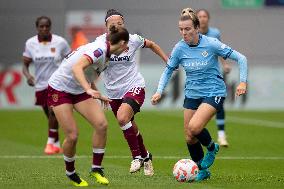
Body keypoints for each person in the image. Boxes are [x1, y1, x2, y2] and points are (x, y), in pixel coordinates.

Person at [151, 8, 248, 181]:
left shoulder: (211, 43)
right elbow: (168, 70)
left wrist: (242, 81)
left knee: (195, 127)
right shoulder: (179, 48)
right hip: (192, 94)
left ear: (197, 28)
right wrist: (159, 91)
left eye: (187, 29)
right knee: (189, 137)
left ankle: (211, 147)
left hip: (214, 91)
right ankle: (202, 170)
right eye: (181, 29)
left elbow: (241, 58)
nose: (183, 33)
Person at [47, 26, 129, 186]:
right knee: (72, 135)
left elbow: (88, 73)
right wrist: (88, 90)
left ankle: (96, 169)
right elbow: (76, 67)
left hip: (79, 88)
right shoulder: (98, 51)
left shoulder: (108, 53)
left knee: (101, 125)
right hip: (60, 89)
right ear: (122, 43)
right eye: (127, 46)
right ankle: (71, 173)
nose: (127, 49)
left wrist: (97, 93)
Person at [95, 9, 168, 176]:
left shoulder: (133, 39)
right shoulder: (100, 43)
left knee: (122, 118)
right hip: (113, 92)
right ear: (106, 26)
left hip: (134, 86)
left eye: (120, 24)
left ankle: (136, 157)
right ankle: (146, 156)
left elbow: (152, 45)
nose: (117, 26)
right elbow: (94, 65)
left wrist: (167, 60)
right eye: (113, 24)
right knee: (130, 126)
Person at [22, 16, 71, 155]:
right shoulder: (30, 43)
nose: (44, 29)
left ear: (50, 27)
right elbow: (25, 65)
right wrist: (28, 76)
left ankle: (49, 143)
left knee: (53, 111)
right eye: (41, 27)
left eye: (46, 26)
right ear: (37, 28)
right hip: (40, 85)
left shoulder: (60, 42)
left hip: (57, 83)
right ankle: (55, 144)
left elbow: (70, 60)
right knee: (50, 116)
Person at [197, 9, 230, 147]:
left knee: (219, 104)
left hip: (214, 75)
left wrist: (225, 64)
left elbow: (220, 50)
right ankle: (198, 133)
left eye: (205, 16)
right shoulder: (192, 33)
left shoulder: (215, 33)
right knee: (197, 107)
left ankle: (221, 136)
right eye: (200, 16)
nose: (202, 19)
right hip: (198, 78)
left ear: (208, 19)